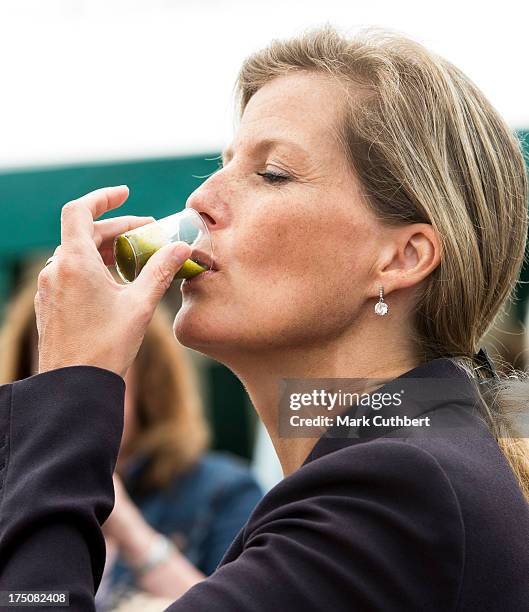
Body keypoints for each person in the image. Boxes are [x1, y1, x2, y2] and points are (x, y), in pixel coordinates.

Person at [1, 25, 529, 610]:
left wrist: (67, 387)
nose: (201, 199)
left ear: (402, 258)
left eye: (271, 173)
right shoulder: (412, 465)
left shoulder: (400, 491)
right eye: (224, 164)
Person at [0, 268, 263, 607]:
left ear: (150, 387)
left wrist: (132, 533)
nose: (74, 401)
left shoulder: (222, 491)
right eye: (51, 379)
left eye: (100, 376)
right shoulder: (14, 495)